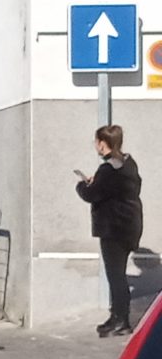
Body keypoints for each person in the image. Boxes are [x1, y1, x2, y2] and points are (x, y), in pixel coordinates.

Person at [76, 124, 144, 336]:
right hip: (129, 225)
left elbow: (91, 194)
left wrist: (82, 185)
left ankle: (122, 321)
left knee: (116, 276)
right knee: (118, 274)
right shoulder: (128, 164)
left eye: (97, 141)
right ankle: (116, 316)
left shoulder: (108, 170)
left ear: (103, 143)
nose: (95, 145)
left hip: (114, 228)